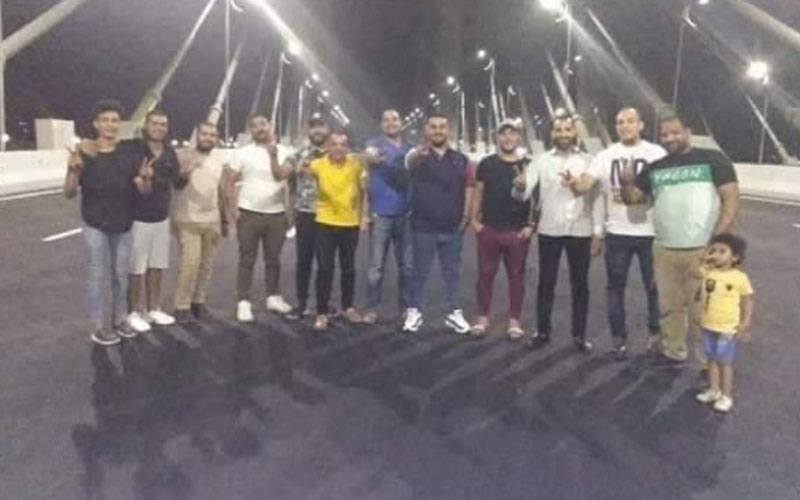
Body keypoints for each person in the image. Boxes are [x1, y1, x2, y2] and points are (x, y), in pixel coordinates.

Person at [620, 113, 739, 367]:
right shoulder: (656, 168)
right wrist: (627, 182)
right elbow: (632, 199)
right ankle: (673, 352)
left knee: (703, 310)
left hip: (702, 248)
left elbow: (731, 201)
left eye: (675, 133)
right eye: (664, 134)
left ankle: (709, 363)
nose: (669, 138)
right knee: (669, 307)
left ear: (688, 132)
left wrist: (718, 244)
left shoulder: (713, 160)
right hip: (664, 249)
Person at [569, 107, 667, 359]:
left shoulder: (657, 153)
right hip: (617, 233)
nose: (625, 126)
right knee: (615, 288)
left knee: (655, 288)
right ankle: (618, 340)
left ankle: (656, 337)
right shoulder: (605, 156)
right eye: (620, 122)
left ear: (641, 125)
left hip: (652, 232)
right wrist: (576, 185)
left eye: (630, 121)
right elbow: (587, 184)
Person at [63, 99, 154, 346]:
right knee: (97, 275)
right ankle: (99, 326)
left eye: (115, 120)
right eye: (105, 120)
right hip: (95, 223)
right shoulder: (84, 153)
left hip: (123, 224)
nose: (110, 125)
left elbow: (144, 192)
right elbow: (68, 192)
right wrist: (73, 171)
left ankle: (120, 318)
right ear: (96, 124)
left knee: (120, 275)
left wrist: (145, 180)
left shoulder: (129, 154)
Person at [512, 115, 603, 353]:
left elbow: (596, 199)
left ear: (574, 132)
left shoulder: (589, 161)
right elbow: (523, 193)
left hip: (581, 230)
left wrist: (597, 232)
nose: (563, 134)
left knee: (580, 285)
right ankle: (542, 332)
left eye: (567, 129)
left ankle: (579, 335)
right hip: (550, 230)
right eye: (558, 130)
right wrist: (519, 185)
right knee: (546, 283)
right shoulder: (540, 161)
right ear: (552, 134)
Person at [403, 114, 474, 335]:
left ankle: (454, 312)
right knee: (419, 272)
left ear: (448, 130)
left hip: (452, 227)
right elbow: (409, 165)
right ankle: (414, 310)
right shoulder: (417, 155)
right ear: (427, 130)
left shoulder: (461, 159)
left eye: (442, 127)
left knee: (452, 273)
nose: (437, 130)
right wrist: (418, 156)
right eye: (433, 127)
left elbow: (469, 188)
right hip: (422, 226)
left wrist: (466, 217)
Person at [470, 119, 536, 340]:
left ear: (519, 137)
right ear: (497, 137)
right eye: (504, 134)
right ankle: (482, 318)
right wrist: (474, 220)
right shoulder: (486, 163)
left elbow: (537, 199)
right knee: (484, 276)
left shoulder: (529, 165)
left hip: (517, 232)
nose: (508, 138)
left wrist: (531, 225)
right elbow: (479, 191)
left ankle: (514, 321)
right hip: (489, 228)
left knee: (516, 278)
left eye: (512, 134)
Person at [124, 110, 189, 333]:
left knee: (156, 266)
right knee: (136, 269)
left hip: (161, 218)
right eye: (155, 123)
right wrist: (143, 178)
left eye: (163, 124)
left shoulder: (169, 153)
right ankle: (133, 312)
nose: (159, 128)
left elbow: (177, 182)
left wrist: (186, 174)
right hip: (138, 218)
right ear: (146, 125)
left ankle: (153, 308)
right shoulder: (134, 149)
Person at [224, 114, 292, 323]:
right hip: (249, 214)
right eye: (254, 126)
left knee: (274, 259)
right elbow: (228, 182)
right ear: (250, 130)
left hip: (276, 214)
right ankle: (244, 302)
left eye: (263, 124)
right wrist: (232, 210)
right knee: (247, 259)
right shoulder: (242, 153)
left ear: (270, 126)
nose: (260, 128)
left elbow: (284, 177)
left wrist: (273, 155)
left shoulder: (285, 151)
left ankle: (273, 297)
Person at [302, 131, 368, 331]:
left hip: (350, 224)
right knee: (325, 269)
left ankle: (348, 307)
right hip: (325, 223)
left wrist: (364, 216)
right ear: (328, 147)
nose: (338, 148)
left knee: (349, 269)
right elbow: (300, 172)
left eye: (343, 144)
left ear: (347, 148)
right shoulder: (318, 164)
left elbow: (364, 190)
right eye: (334, 144)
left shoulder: (356, 165)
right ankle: (322, 313)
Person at [172, 122, 229, 324]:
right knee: (189, 265)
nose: (208, 138)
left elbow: (220, 190)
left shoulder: (218, 159)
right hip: (188, 219)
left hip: (212, 220)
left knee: (206, 265)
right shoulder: (182, 156)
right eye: (204, 134)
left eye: (212, 135)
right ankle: (181, 306)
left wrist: (224, 219)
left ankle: (199, 301)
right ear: (197, 135)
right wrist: (183, 175)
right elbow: (174, 183)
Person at [361, 109, 414, 325]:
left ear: (401, 123)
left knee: (407, 267)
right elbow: (368, 154)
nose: (391, 123)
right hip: (380, 214)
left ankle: (406, 309)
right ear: (381, 124)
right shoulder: (375, 144)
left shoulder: (410, 150)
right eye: (386, 120)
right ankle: (372, 308)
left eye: (394, 119)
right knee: (375, 268)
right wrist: (370, 157)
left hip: (406, 214)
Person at [693, 234, 754, 413]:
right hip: (708, 324)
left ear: (735, 257)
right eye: (713, 250)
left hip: (727, 327)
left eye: (722, 251)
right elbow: (693, 274)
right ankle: (714, 389)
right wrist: (701, 260)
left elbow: (747, 300)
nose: (716, 255)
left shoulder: (739, 278)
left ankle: (726, 395)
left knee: (725, 361)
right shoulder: (708, 271)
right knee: (711, 358)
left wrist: (745, 321)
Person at [278, 116, 329, 320]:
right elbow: (282, 174)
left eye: (321, 126)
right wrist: (288, 166)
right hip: (306, 214)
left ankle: (323, 306)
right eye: (313, 127)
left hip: (330, 215)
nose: (317, 131)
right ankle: (301, 304)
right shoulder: (297, 155)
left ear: (327, 129)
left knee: (325, 264)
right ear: (308, 131)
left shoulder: (335, 153)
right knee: (304, 262)